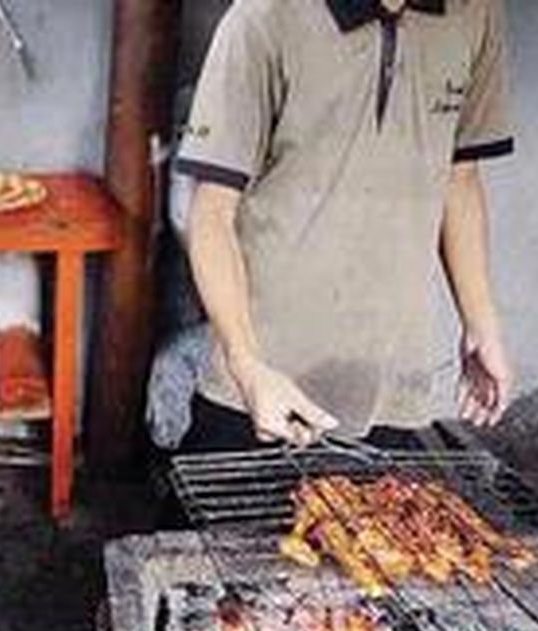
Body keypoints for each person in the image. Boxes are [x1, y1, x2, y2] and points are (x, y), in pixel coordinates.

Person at [176, 0, 514, 451]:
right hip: (261, 383)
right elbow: (211, 214)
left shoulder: (473, 14)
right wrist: (246, 363)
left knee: (389, 520)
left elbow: (460, 178)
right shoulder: (264, 18)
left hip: (392, 381)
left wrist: (481, 322)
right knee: (225, 518)